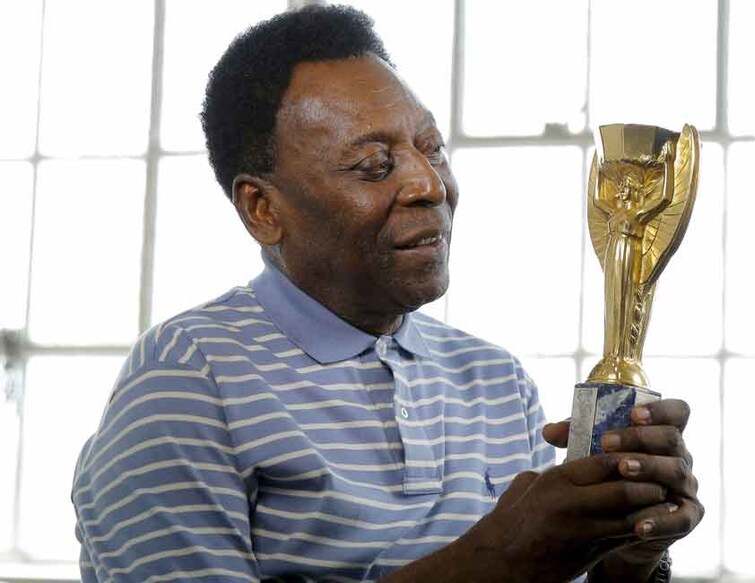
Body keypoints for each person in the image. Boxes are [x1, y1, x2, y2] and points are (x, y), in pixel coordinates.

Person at [70, 6, 702, 582]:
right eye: (374, 166)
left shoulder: (494, 380)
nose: (429, 185)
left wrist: (628, 550)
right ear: (263, 208)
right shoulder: (188, 379)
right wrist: (498, 557)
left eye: (432, 149)